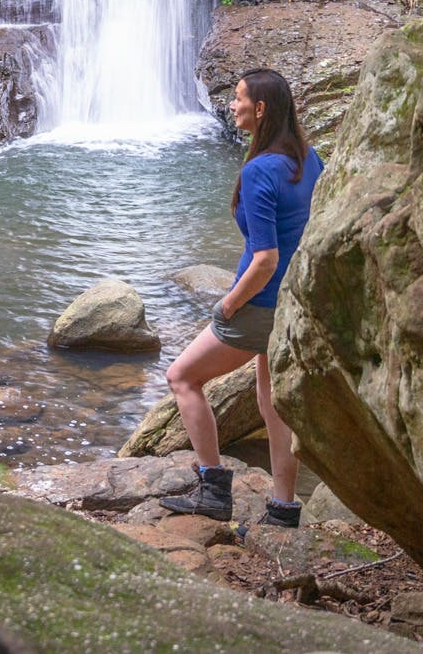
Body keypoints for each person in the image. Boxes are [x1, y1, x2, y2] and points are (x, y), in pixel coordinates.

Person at [159, 68, 322, 527]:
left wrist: (229, 304)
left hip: (258, 306)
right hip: (293, 302)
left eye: (239, 99)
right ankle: (284, 507)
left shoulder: (258, 171)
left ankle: (212, 486)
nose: (232, 106)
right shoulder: (310, 160)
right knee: (272, 402)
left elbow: (265, 258)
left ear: (261, 109)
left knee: (182, 377)